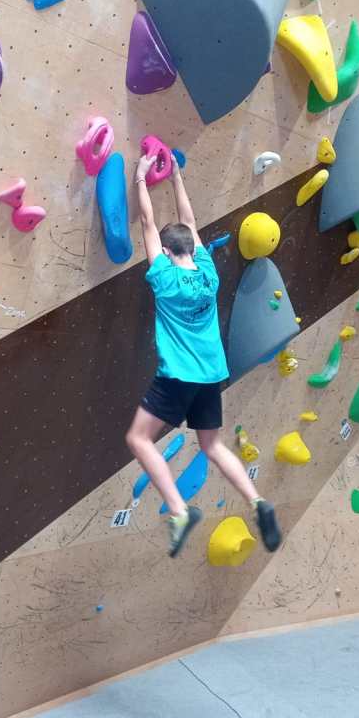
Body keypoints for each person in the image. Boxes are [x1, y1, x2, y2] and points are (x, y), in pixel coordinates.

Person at [125, 153, 282, 559]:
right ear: (192, 249)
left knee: (138, 438)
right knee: (212, 445)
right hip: (211, 374)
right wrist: (176, 177)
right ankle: (257, 501)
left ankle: (179, 511)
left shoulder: (164, 278)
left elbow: (147, 224)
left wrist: (140, 178)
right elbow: (191, 222)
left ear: (166, 251)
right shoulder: (209, 275)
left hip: (179, 376)